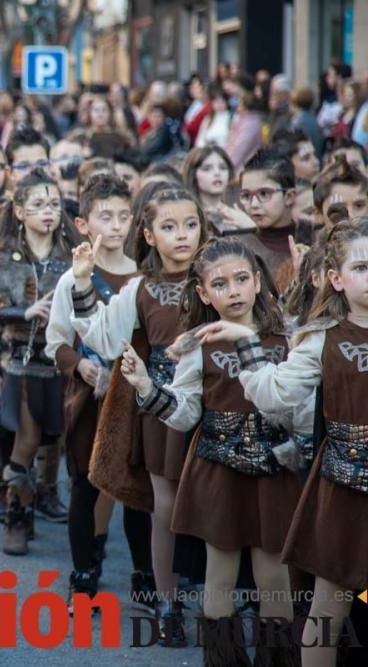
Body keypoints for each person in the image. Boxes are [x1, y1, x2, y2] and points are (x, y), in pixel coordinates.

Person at [192, 218, 368, 667]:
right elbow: (273, 395)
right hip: (346, 490)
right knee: (328, 604)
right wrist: (249, 343)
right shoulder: (321, 338)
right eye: (363, 267)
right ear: (336, 279)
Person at [123, 238, 305, 665]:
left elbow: (297, 409)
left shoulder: (288, 338)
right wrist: (146, 387)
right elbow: (185, 415)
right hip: (217, 470)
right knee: (218, 575)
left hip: (273, 469)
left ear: (258, 282)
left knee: (274, 576)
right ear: (204, 294)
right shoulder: (197, 345)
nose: (234, 290)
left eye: (242, 279)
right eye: (220, 284)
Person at [71, 187, 207, 647]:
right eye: (168, 227)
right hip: (159, 404)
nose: (182, 235)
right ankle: (168, 602)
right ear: (148, 235)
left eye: (190, 224)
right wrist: (84, 283)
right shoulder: (141, 288)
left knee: (218, 505)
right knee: (165, 506)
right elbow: (104, 338)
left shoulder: (218, 276)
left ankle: (222, 602)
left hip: (221, 404)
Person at [45, 174, 154, 610]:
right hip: (88, 395)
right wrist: (84, 367)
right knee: (85, 485)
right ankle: (83, 571)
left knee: (137, 488)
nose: (115, 225)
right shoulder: (71, 280)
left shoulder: (144, 277)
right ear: (83, 222)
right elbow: (55, 342)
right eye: (104, 216)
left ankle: (145, 574)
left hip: (133, 393)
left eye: (123, 216)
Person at [0, 170, 78, 555]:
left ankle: (52, 507)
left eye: (54, 204)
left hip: (65, 363)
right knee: (27, 440)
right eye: (37, 204)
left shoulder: (73, 254)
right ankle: (17, 516)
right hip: (22, 361)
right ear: (19, 211)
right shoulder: (3, 257)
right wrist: (23, 311)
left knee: (57, 444)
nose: (48, 212)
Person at [237, 148, 298, 292]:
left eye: (264, 194)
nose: (254, 205)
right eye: (246, 195)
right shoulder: (238, 248)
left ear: (289, 196)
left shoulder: (313, 240)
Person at [181, 145, 254, 235]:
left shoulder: (243, 209)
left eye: (223, 168)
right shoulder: (186, 214)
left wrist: (250, 226)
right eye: (207, 169)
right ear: (193, 175)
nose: (217, 173)